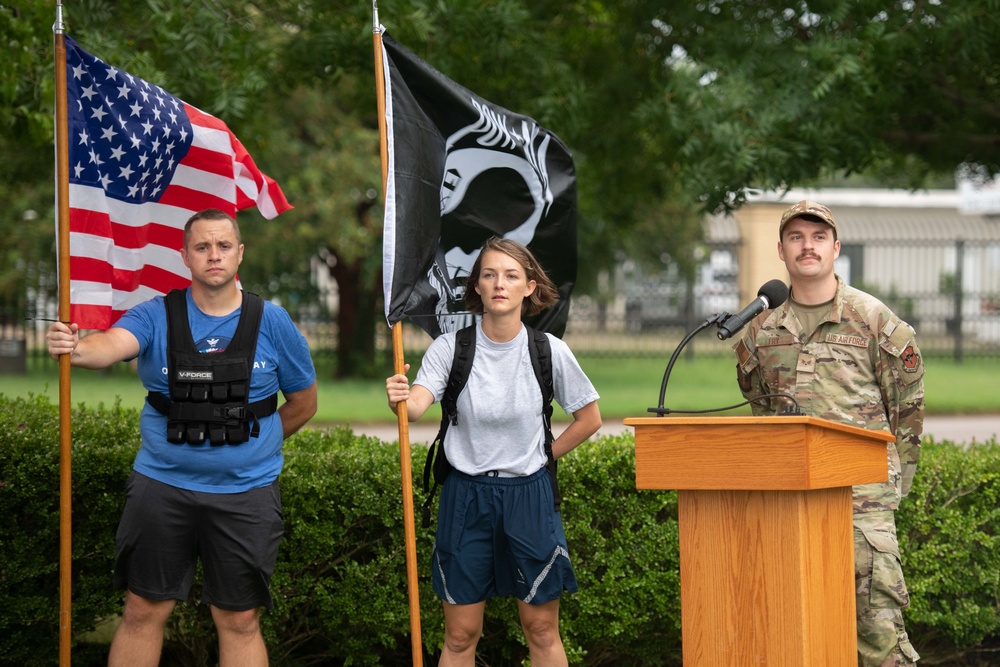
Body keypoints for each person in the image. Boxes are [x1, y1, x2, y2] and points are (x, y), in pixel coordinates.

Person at [47, 208, 317, 666]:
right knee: (142, 609)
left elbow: (304, 403)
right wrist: (77, 345)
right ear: (185, 256)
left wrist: (256, 445)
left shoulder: (272, 321)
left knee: (240, 619)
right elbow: (111, 345)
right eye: (202, 247)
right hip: (161, 488)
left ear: (240, 254)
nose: (214, 256)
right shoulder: (156, 314)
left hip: (247, 493)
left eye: (224, 246)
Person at [386, 237, 601, 666]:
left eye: (511, 275)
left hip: (530, 496)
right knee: (461, 635)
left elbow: (589, 419)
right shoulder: (450, 349)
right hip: (466, 498)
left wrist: (543, 458)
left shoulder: (548, 351)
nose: (499, 283)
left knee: (541, 629)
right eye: (489, 274)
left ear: (530, 287)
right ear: (477, 289)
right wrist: (399, 397)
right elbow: (415, 405)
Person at [732, 200, 924, 666]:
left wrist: (891, 488)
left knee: (878, 638)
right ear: (780, 250)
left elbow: (907, 411)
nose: (807, 246)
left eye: (818, 237)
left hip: (863, 503)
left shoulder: (873, 319)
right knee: (796, 630)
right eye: (796, 237)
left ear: (835, 248)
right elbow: (762, 410)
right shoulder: (758, 326)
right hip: (789, 500)